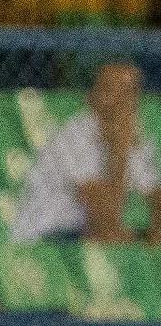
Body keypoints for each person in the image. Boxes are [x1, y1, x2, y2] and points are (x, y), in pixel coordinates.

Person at [11, 62, 161, 246]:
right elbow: (103, 219)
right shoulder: (72, 137)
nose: (121, 102)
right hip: (47, 238)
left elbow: (155, 196)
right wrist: (119, 151)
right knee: (113, 237)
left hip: (83, 234)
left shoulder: (132, 134)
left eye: (128, 93)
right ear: (92, 96)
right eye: (111, 91)